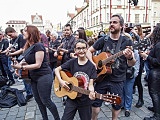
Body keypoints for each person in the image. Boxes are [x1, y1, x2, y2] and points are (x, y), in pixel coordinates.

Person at [86, 14, 136, 120]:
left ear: (121, 26)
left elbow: (132, 64)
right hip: (101, 78)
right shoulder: (104, 40)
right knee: (95, 104)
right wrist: (93, 63)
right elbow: (89, 52)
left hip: (118, 79)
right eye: (110, 22)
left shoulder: (127, 41)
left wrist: (130, 57)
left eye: (115, 22)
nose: (111, 24)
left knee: (116, 105)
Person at [12, 25, 60, 120]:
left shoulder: (39, 46)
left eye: (25, 31)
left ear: (31, 33)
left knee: (46, 101)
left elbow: (38, 64)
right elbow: (26, 60)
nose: (23, 32)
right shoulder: (28, 46)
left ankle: (57, 118)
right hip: (33, 77)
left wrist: (21, 67)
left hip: (44, 75)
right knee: (38, 101)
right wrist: (18, 66)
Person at [55, 39, 97, 120]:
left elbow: (91, 85)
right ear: (75, 50)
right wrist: (61, 81)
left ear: (87, 49)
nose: (81, 50)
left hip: (85, 101)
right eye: (78, 48)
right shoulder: (72, 62)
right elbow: (57, 69)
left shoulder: (91, 67)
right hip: (71, 99)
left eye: (83, 48)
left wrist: (92, 93)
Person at [140, 24, 160, 120]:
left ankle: (157, 115)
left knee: (154, 93)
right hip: (156, 72)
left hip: (156, 73)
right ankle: (157, 109)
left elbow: (158, 61)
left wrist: (146, 56)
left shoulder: (159, 45)